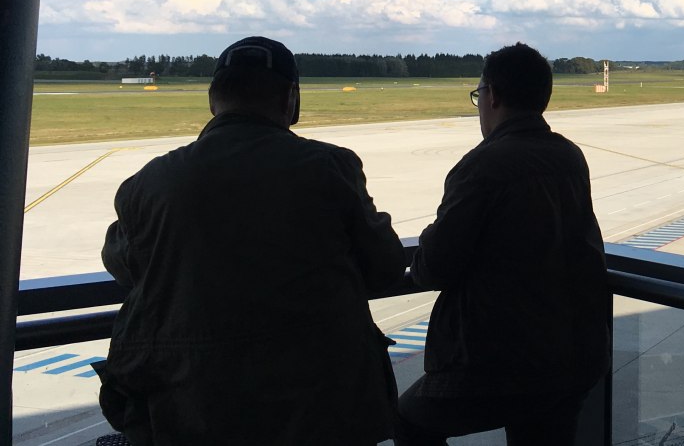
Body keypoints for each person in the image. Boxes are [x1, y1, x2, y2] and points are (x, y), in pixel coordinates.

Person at [96, 36, 406, 445]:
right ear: (290, 100)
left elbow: (127, 268)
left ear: (212, 100)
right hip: (320, 408)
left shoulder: (147, 183)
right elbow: (384, 266)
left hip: (191, 408)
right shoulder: (329, 167)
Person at [395, 43, 609, 446]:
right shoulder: (569, 156)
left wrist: (426, 243)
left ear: (491, 95)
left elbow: (434, 266)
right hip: (574, 356)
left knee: (408, 421)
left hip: (503, 364)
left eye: (479, 95)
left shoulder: (482, 165)